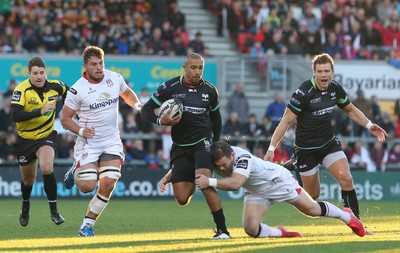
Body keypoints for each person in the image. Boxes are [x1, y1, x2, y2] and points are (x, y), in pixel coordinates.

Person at [264, 53, 388, 221]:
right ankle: (295, 164)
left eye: (326, 71)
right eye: (320, 71)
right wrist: (272, 148)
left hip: (328, 144)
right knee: (312, 198)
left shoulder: (335, 89)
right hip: (306, 149)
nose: (323, 75)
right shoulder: (303, 93)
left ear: (332, 72)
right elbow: (285, 121)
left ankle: (356, 224)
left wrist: (369, 125)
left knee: (346, 179)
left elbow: (350, 109)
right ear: (313, 72)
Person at [141, 53, 230, 239]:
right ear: (184, 67)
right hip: (180, 145)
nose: (197, 72)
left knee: (204, 183)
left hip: (202, 142)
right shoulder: (170, 87)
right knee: (182, 199)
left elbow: (216, 118)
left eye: (200, 68)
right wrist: (160, 120)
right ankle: (191, 172)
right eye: (193, 68)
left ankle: (222, 230)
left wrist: (217, 143)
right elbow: (146, 109)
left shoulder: (210, 91)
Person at [195, 141, 366, 238]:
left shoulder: (242, 158)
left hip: (278, 181)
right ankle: (280, 233)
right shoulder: (216, 158)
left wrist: (210, 181)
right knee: (251, 229)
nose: (223, 169)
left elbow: (236, 183)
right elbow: (190, 164)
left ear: (232, 155)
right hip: (257, 189)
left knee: (312, 210)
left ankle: (346, 215)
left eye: (224, 165)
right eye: (219, 167)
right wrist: (168, 176)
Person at [61, 46, 142, 237]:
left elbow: (127, 94)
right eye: (94, 64)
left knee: (109, 182)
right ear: (85, 66)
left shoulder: (114, 78)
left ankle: (87, 225)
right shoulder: (77, 89)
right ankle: (76, 169)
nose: (99, 68)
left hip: (111, 140)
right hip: (89, 142)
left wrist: (137, 105)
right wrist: (81, 130)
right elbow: (65, 119)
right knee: (87, 186)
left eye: (101, 63)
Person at [10, 56, 67, 227]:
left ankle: (54, 212)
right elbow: (15, 116)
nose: (39, 76)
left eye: (42, 72)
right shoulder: (21, 90)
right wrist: (40, 111)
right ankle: (25, 206)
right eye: (35, 73)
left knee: (47, 167)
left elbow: (72, 93)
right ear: (29, 74)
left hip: (45, 136)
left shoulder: (56, 86)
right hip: (25, 140)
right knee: (28, 181)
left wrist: (69, 110)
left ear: (45, 73)